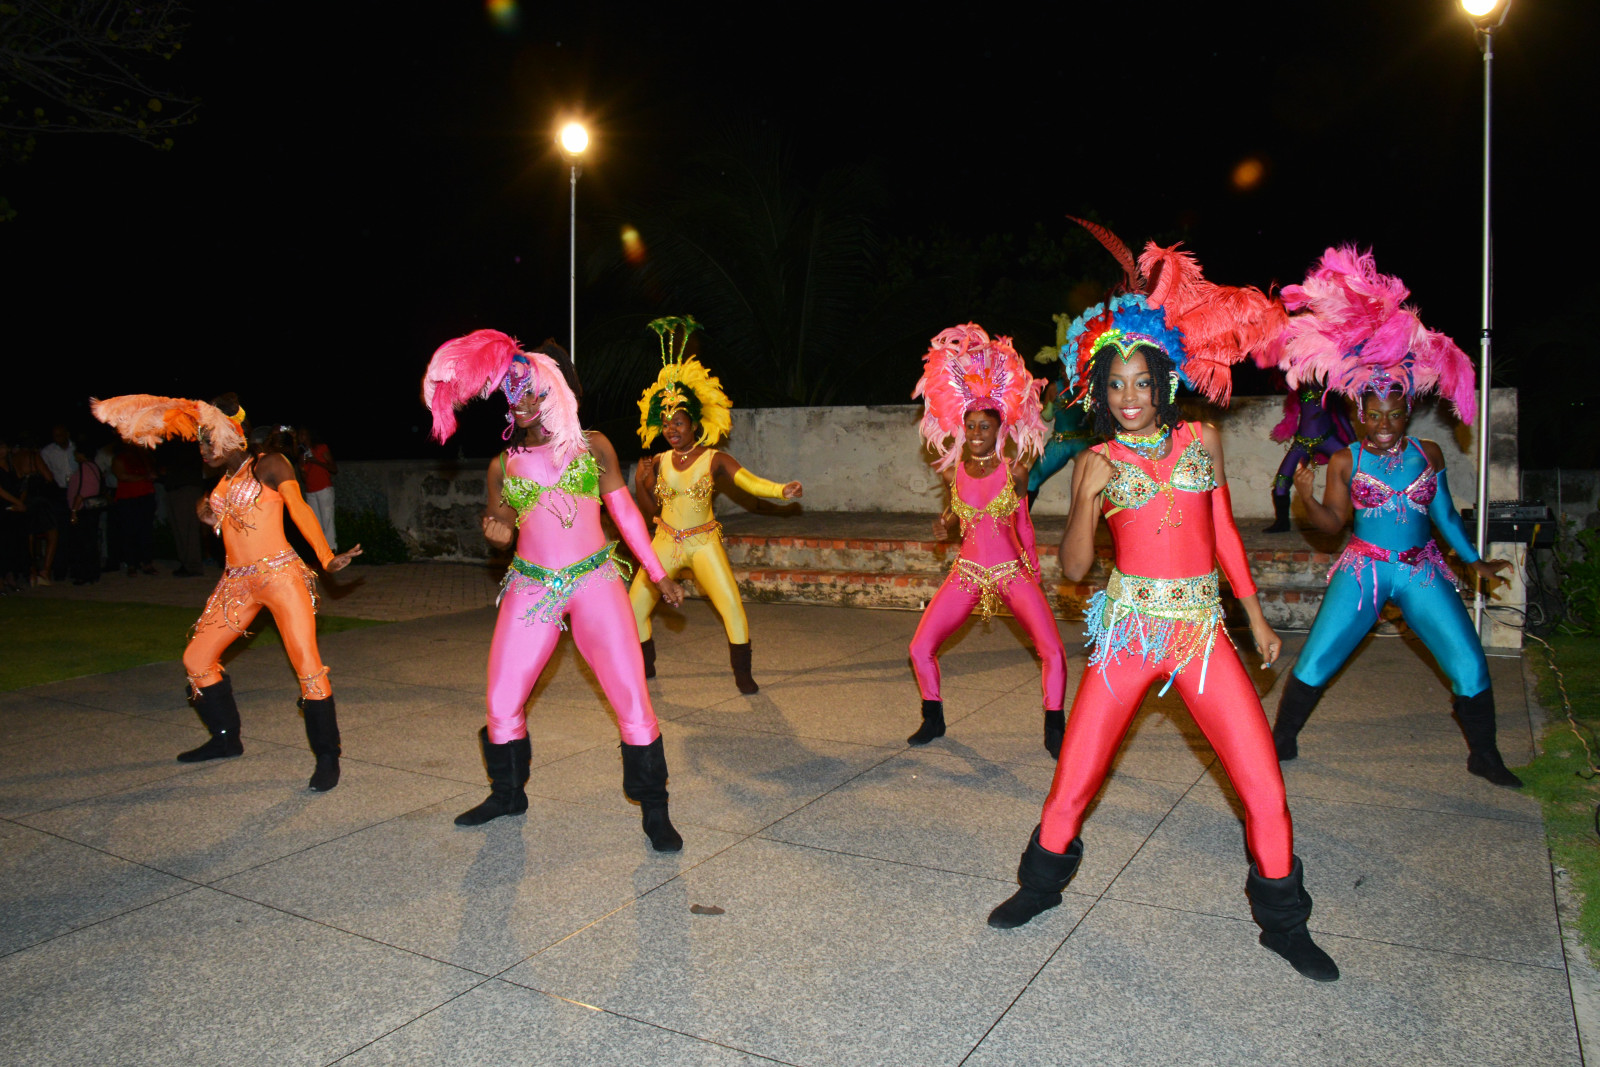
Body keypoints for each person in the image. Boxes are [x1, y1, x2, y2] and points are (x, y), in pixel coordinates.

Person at [987, 228, 1339, 983]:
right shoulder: (1096, 459)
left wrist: (1254, 617)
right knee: (1075, 778)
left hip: (1201, 633)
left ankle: (1284, 924)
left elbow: (1224, 537)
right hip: (1128, 635)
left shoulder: (1201, 440)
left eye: (1142, 382)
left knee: (1263, 785)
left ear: (1164, 381)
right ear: (1100, 390)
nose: (1130, 397)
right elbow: (1073, 569)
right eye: (1116, 385)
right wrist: (1085, 500)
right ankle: (1039, 887)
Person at [423, 329, 689, 851]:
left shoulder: (593, 447)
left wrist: (658, 574)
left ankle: (655, 810)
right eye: (511, 393)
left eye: (529, 392)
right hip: (532, 585)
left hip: (595, 582)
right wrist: (497, 531)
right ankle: (507, 795)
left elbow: (625, 515)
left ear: (556, 392)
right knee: (501, 698)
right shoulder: (504, 464)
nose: (518, 402)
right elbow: (501, 518)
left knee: (632, 698)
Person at [1264, 247, 1518, 787]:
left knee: (1469, 662)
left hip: (1422, 569)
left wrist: (1473, 561)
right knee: (1317, 660)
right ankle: (1281, 740)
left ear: (1408, 412)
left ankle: (1485, 755)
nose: (1384, 424)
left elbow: (1445, 515)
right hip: (1365, 570)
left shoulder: (1429, 454)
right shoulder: (1345, 460)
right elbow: (1332, 525)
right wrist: (1306, 498)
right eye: (1374, 415)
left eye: (1394, 415)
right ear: (1359, 414)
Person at [91, 394, 362, 791]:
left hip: (280, 577)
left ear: (231, 436)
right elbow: (223, 518)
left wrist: (325, 556)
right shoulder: (221, 483)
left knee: (308, 664)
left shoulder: (270, 463)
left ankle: (326, 756)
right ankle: (225, 738)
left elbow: (298, 507)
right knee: (196, 658)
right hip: (236, 583)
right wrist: (207, 514)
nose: (202, 449)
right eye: (200, 441)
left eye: (207, 440)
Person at [904, 323, 1067, 756]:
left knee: (1051, 648)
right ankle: (933, 716)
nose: (976, 434)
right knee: (920, 647)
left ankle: (1055, 726)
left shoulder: (1015, 472)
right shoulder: (953, 472)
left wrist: (1033, 571)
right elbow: (958, 513)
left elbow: (1023, 521)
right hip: (967, 572)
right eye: (971, 426)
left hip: (1011, 572)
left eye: (984, 427)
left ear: (1000, 430)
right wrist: (945, 524)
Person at [630, 316, 802, 694]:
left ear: (694, 423)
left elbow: (749, 481)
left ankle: (743, 674)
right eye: (666, 423)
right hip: (665, 541)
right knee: (635, 606)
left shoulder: (714, 459)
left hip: (704, 543)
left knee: (731, 607)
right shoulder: (657, 461)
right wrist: (642, 483)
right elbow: (649, 511)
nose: (672, 429)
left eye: (679, 422)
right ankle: (646, 665)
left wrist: (780, 491)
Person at [1260, 377, 1355, 532]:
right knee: (1282, 479)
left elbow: (1341, 416)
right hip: (1302, 442)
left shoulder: (1330, 389)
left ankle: (1359, 521)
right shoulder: (1298, 387)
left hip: (1328, 439)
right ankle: (1282, 522)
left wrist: (1353, 442)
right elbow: (1293, 412)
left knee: (1356, 476)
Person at [1026, 313, 1095, 509]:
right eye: (1065, 368)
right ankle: (1022, 520)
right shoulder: (1060, 388)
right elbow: (1048, 417)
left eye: (1072, 367)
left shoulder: (1086, 387)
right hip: (1065, 442)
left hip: (1079, 443)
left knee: (1093, 484)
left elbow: (1047, 416)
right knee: (1032, 479)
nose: (1067, 372)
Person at [159, 439, 208, 577]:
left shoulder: (187, 443)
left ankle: (193, 565)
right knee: (180, 528)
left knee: (188, 528)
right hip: (177, 487)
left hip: (186, 488)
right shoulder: (175, 443)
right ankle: (187, 563)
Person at [110, 443, 159, 576]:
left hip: (146, 497)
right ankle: (131, 563)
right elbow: (122, 476)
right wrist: (143, 477)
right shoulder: (119, 458)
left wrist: (144, 457)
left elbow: (153, 472)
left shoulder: (144, 457)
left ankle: (147, 562)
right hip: (128, 499)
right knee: (129, 531)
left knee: (146, 531)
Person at [296, 426, 338, 552]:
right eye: (299, 434)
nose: (300, 437)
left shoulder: (321, 448)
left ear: (309, 435)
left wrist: (315, 461)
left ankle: (331, 549)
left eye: (303, 434)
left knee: (327, 520)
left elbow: (334, 469)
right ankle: (320, 550)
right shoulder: (302, 455)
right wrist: (302, 468)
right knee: (316, 523)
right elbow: (304, 478)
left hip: (324, 488)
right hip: (311, 491)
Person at [0, 437, 29, 593]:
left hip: (14, 509)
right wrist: (16, 502)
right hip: (3, 508)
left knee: (13, 544)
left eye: (4, 447)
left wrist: (20, 502)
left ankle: (11, 577)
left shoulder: (12, 464)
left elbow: (22, 483)